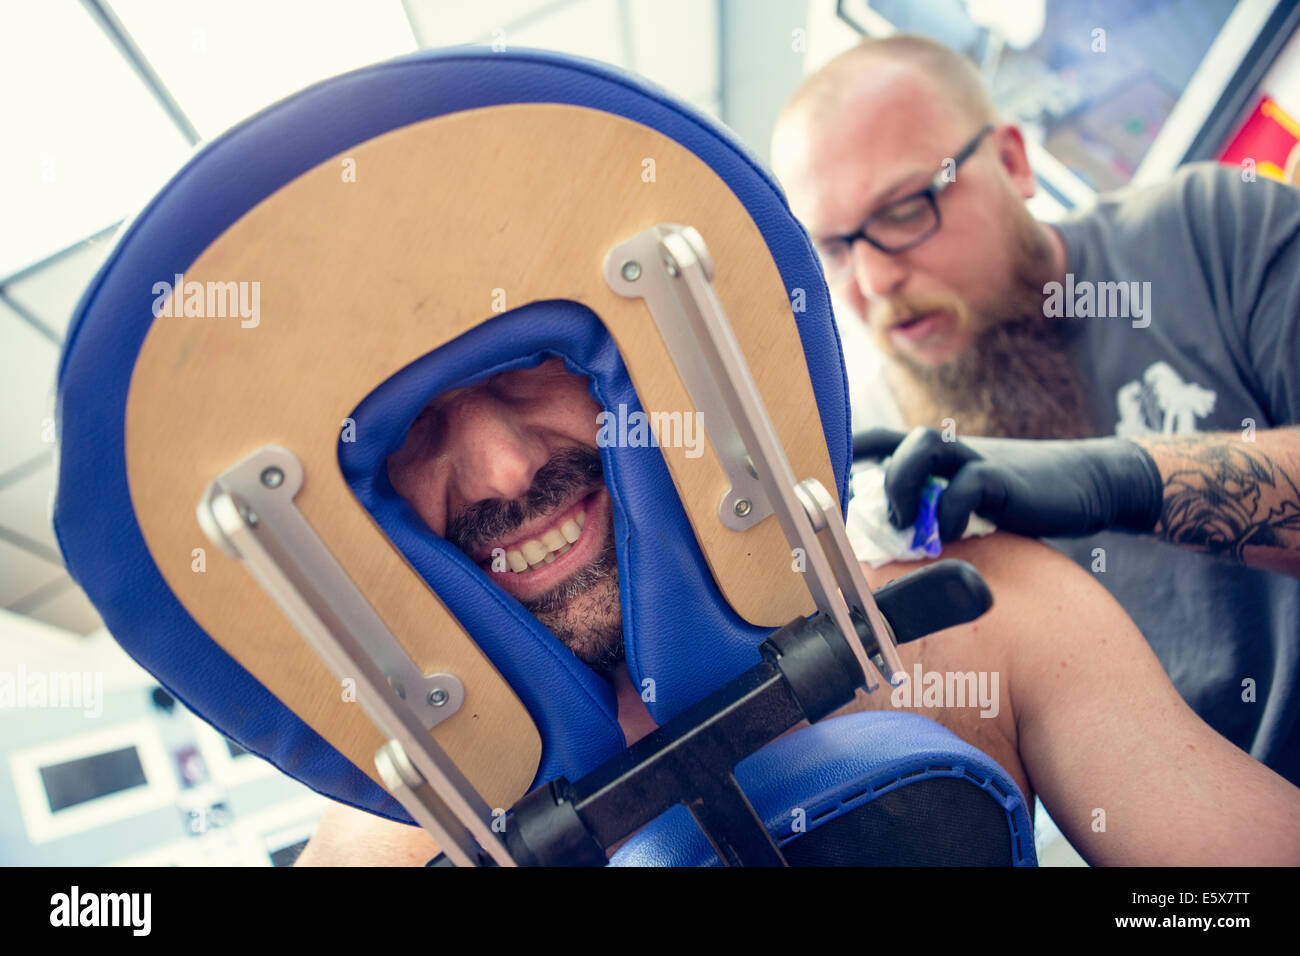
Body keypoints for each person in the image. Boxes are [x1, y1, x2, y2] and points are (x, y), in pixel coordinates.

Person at [295, 358, 1300, 866]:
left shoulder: (974, 615)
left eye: (522, 372)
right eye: (417, 423)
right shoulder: (397, 829)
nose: (505, 469)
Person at [768, 33, 1300, 787]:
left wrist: (1122, 480)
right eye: (837, 246)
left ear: (1013, 162)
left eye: (907, 209)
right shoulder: (881, 468)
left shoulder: (1209, 233)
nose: (877, 278)